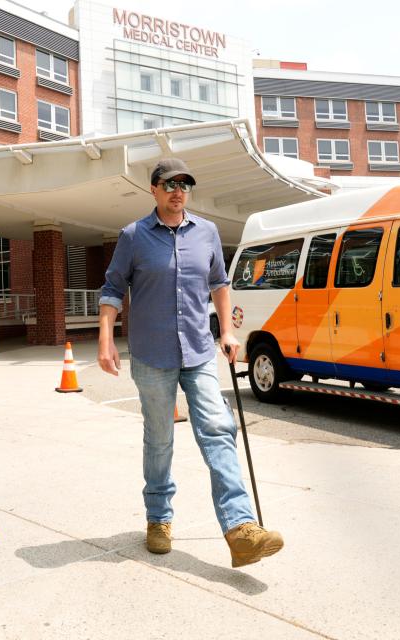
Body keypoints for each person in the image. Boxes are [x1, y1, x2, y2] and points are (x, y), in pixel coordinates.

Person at [97, 157, 284, 568]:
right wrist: (106, 340)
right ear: (154, 189)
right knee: (160, 439)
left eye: (184, 184)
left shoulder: (208, 233)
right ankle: (158, 520)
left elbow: (219, 282)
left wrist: (228, 331)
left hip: (198, 351)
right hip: (152, 355)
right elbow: (112, 289)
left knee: (218, 430)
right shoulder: (134, 236)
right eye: (169, 184)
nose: (177, 190)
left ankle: (240, 530)